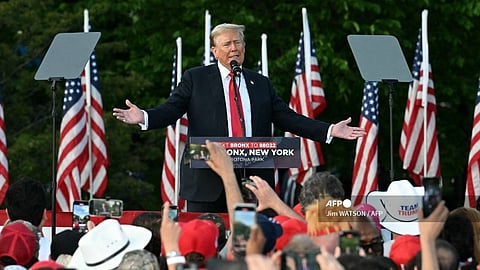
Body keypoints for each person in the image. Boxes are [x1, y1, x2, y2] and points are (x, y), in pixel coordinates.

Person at [112, 23, 366, 213]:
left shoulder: (260, 83)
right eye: (227, 44)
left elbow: (288, 118)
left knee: (251, 240)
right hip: (207, 178)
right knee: (209, 239)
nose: (234, 48)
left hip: (253, 180)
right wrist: (143, 116)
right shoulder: (196, 78)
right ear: (214, 51)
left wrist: (330, 130)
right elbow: (171, 109)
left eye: (238, 43)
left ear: (244, 47)